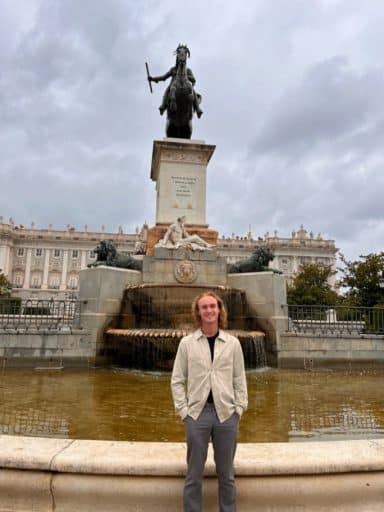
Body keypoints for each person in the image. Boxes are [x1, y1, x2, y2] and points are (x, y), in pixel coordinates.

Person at [171, 291, 248, 512]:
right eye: (204, 307)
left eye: (213, 306)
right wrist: (183, 411)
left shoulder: (232, 343)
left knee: (227, 476)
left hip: (227, 414)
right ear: (198, 312)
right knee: (193, 475)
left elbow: (239, 378)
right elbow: (177, 380)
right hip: (197, 414)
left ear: (219, 310)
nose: (209, 310)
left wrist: (239, 409)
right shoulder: (187, 343)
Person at [149, 44, 203, 118]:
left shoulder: (188, 70)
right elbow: (163, 77)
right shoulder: (173, 69)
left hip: (186, 85)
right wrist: (153, 79)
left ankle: (198, 109)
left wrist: (187, 76)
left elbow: (193, 79)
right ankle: (162, 106)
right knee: (168, 90)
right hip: (173, 86)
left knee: (192, 90)